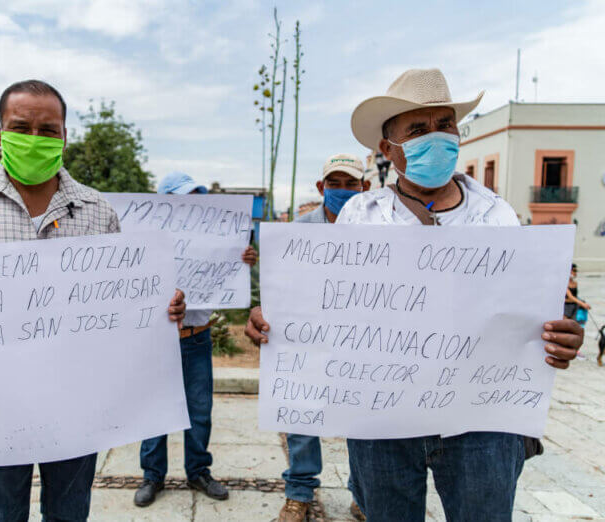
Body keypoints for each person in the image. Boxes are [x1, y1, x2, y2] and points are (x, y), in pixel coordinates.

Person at [245, 68, 584, 521]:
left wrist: (559, 337)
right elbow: (322, 308)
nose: (437, 137)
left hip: (481, 424)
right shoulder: (359, 219)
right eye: (419, 130)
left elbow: (524, 317)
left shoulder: (498, 217)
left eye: (445, 124)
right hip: (382, 421)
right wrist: (276, 321)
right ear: (388, 149)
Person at [0, 80, 186, 522]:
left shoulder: (97, 210)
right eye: (22, 127)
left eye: (48, 130)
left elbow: (123, 305)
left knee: (69, 513)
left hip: (77, 404)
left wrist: (162, 309)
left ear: (64, 136)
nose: (35, 139)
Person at [133, 172, 258, 507]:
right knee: (154, 409)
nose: (190, 205)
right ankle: (152, 475)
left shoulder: (212, 238)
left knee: (200, 410)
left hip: (197, 339)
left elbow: (232, 273)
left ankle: (199, 470)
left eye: (195, 197)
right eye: (181, 198)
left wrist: (243, 259)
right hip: (155, 340)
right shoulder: (143, 242)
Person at [277, 153, 369, 522]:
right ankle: (298, 493)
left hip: (361, 343)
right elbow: (280, 287)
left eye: (351, 184)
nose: (343, 190)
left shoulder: (380, 232)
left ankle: (363, 494)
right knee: (302, 418)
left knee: (362, 423)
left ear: (364, 188)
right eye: (336, 183)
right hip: (308, 341)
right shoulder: (297, 232)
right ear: (321, 187)